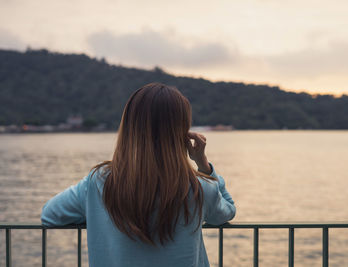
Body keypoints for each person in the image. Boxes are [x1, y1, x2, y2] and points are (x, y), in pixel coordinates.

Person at [41, 82, 236, 267]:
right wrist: (203, 164)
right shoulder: (199, 188)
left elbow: (50, 216)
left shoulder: (100, 181)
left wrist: (99, 217)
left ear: (129, 127)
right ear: (181, 133)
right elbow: (226, 211)